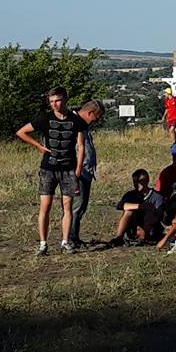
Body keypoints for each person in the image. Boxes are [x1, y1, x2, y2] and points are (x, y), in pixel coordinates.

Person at [16, 86, 88, 256]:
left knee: (67, 206)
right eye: (51, 101)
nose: (54, 104)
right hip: (48, 169)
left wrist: (78, 169)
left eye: (57, 100)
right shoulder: (45, 119)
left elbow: (82, 146)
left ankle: (65, 241)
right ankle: (43, 243)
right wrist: (39, 146)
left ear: (65, 100)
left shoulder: (76, 121)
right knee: (45, 206)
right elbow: (22, 132)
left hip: (68, 169)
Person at [70, 100, 106, 248]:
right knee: (76, 206)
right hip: (78, 171)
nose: (94, 122)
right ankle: (70, 239)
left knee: (81, 206)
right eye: (95, 118)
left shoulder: (82, 125)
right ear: (90, 113)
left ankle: (75, 237)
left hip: (86, 171)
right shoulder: (74, 124)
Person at [111, 169, 164, 246]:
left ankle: (145, 237)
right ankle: (119, 237)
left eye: (141, 181)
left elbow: (159, 215)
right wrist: (140, 206)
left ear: (147, 181)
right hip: (133, 225)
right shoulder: (130, 195)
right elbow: (121, 205)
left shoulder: (157, 197)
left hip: (150, 226)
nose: (138, 184)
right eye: (135, 181)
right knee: (129, 211)